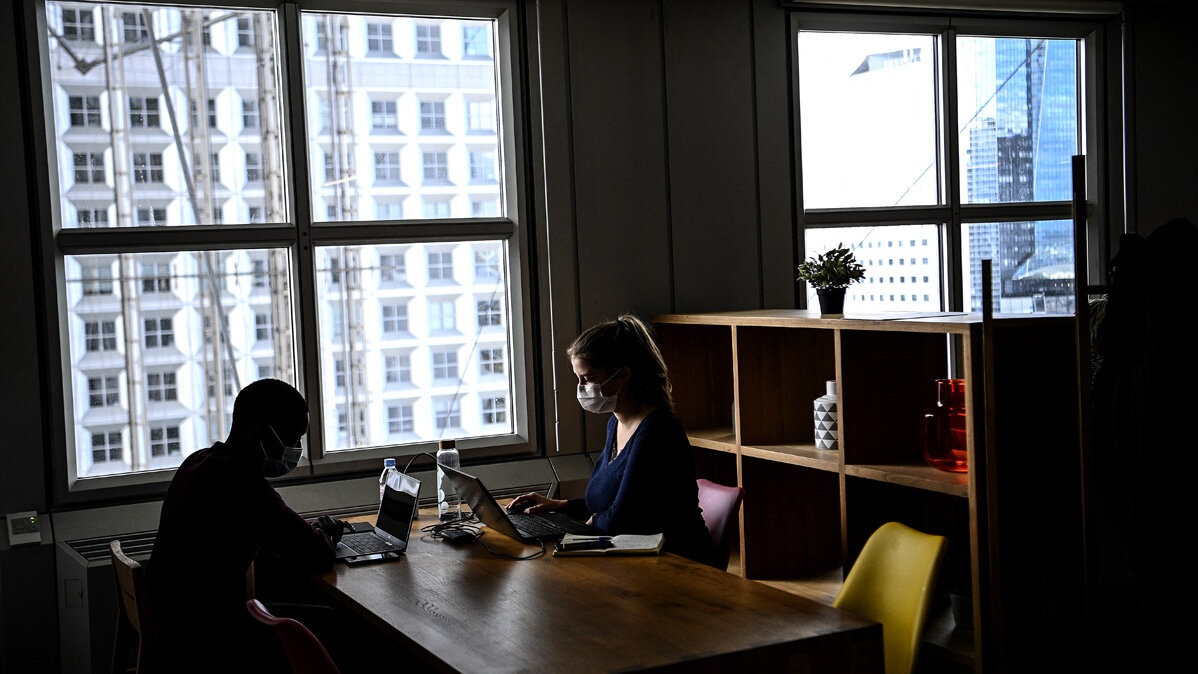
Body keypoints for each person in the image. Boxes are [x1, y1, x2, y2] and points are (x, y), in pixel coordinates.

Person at [147, 378, 346, 672]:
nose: (297, 449)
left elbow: (274, 526)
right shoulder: (242, 483)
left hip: (178, 626)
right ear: (264, 433)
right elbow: (317, 555)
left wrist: (306, 531)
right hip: (213, 638)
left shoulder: (198, 462)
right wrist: (321, 533)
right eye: (293, 439)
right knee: (344, 626)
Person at [509, 314, 715, 565]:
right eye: (579, 379)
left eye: (588, 378)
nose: (581, 388)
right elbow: (608, 502)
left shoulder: (657, 430)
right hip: (630, 554)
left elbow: (624, 515)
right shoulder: (615, 423)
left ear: (622, 376)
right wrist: (558, 505)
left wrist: (589, 524)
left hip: (675, 561)